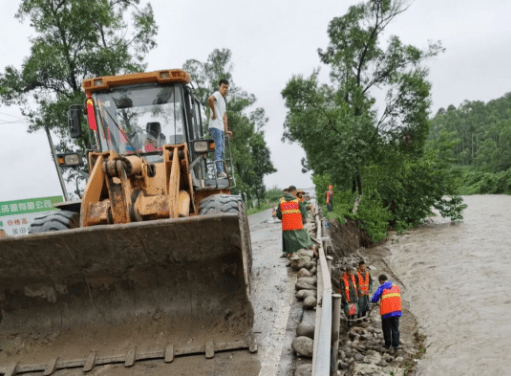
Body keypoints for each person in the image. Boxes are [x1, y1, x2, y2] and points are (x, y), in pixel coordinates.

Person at [276, 185, 314, 258]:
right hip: (297, 224)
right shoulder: (297, 201)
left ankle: (291, 256)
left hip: (286, 226)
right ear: (293, 191)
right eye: (296, 192)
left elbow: (278, 215)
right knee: (305, 238)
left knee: (289, 242)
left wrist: (285, 218)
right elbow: (303, 213)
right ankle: (313, 249)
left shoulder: (281, 201)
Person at [208, 79, 232, 178]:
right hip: (215, 126)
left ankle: (222, 171)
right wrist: (214, 113)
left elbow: (224, 116)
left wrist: (226, 130)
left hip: (220, 128)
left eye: (227, 87)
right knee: (219, 148)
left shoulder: (223, 100)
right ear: (219, 87)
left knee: (221, 149)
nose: (225, 89)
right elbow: (210, 99)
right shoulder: (217, 94)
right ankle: (220, 171)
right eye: (223, 87)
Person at [371, 274, 402, 349]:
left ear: (381, 281)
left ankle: (388, 344)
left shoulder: (382, 287)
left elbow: (374, 299)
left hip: (386, 312)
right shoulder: (396, 286)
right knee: (395, 328)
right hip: (396, 310)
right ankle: (396, 345)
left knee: (386, 328)